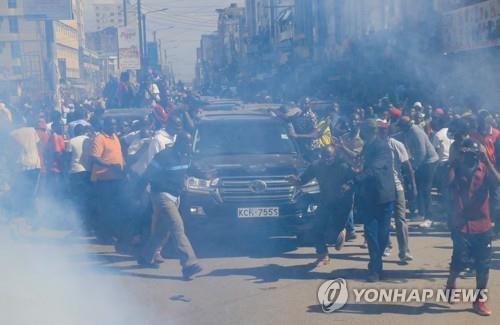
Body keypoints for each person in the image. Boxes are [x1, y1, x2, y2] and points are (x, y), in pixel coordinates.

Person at [446, 139, 499, 316]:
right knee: (459, 259)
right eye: (467, 153)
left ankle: (479, 300)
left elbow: (497, 182)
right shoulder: (456, 167)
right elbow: (447, 184)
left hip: (482, 224)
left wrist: (487, 160)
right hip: (460, 224)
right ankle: (451, 284)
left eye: (473, 154)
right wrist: (454, 160)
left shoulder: (484, 168)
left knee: (483, 265)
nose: (470, 157)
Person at [138, 133, 202, 280]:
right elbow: (147, 175)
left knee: (161, 231)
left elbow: (189, 170)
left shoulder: (186, 156)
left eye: (190, 143)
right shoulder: (163, 156)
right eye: (187, 143)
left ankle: (145, 256)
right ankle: (189, 264)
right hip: (162, 196)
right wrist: (137, 194)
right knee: (177, 226)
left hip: (176, 196)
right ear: (179, 142)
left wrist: (206, 173)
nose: (189, 146)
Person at [295, 145, 356, 266]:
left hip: (342, 202)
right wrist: (296, 181)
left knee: (333, 236)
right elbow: (303, 179)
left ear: (335, 156)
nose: (326, 159)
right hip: (325, 201)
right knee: (316, 228)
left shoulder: (344, 166)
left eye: (329, 157)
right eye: (324, 157)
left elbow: (355, 179)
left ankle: (341, 231)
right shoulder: (316, 165)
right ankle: (322, 255)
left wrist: (347, 185)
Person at [356, 119, 396, 282]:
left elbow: (373, 170)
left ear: (368, 130)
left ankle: (376, 265)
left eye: (362, 130)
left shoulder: (381, 146)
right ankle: (376, 267)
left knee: (382, 234)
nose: (360, 133)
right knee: (371, 233)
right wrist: (342, 149)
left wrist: (355, 178)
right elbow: (359, 161)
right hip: (369, 196)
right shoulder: (368, 145)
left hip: (382, 195)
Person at [378, 120, 416, 264]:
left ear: (388, 130)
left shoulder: (397, 145)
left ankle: (404, 251)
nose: (381, 132)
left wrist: (413, 186)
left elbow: (408, 167)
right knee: (384, 219)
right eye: (379, 130)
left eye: (383, 129)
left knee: (400, 219)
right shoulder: (374, 146)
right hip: (381, 187)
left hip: (397, 186)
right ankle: (385, 246)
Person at [90, 117, 126, 243]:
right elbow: (95, 158)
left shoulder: (115, 137)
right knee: (106, 209)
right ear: (104, 125)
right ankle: (104, 235)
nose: (113, 127)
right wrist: (110, 166)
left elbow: (118, 155)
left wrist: (123, 166)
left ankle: (112, 233)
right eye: (111, 124)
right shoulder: (100, 138)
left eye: (115, 124)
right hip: (104, 180)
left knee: (115, 208)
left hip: (117, 178)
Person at [400, 116, 439, 227]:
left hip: (429, 162)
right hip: (422, 162)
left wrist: (414, 167)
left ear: (407, 125)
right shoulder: (408, 132)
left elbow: (422, 152)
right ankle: (421, 213)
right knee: (420, 189)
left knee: (425, 190)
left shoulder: (416, 132)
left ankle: (429, 217)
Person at [67, 124, 92, 228]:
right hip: (87, 171)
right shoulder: (89, 139)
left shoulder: (71, 141)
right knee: (86, 197)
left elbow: (67, 156)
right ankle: (86, 221)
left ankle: (77, 221)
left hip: (75, 171)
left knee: (76, 198)